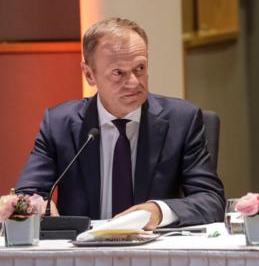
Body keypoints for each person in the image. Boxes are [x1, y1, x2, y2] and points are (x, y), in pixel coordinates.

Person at [16, 18, 225, 229]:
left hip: (155, 253)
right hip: (82, 255)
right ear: (89, 74)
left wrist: (158, 211)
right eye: (118, 73)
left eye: (140, 68)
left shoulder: (182, 120)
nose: (134, 82)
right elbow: (26, 197)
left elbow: (211, 201)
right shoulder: (59, 124)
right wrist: (37, 207)